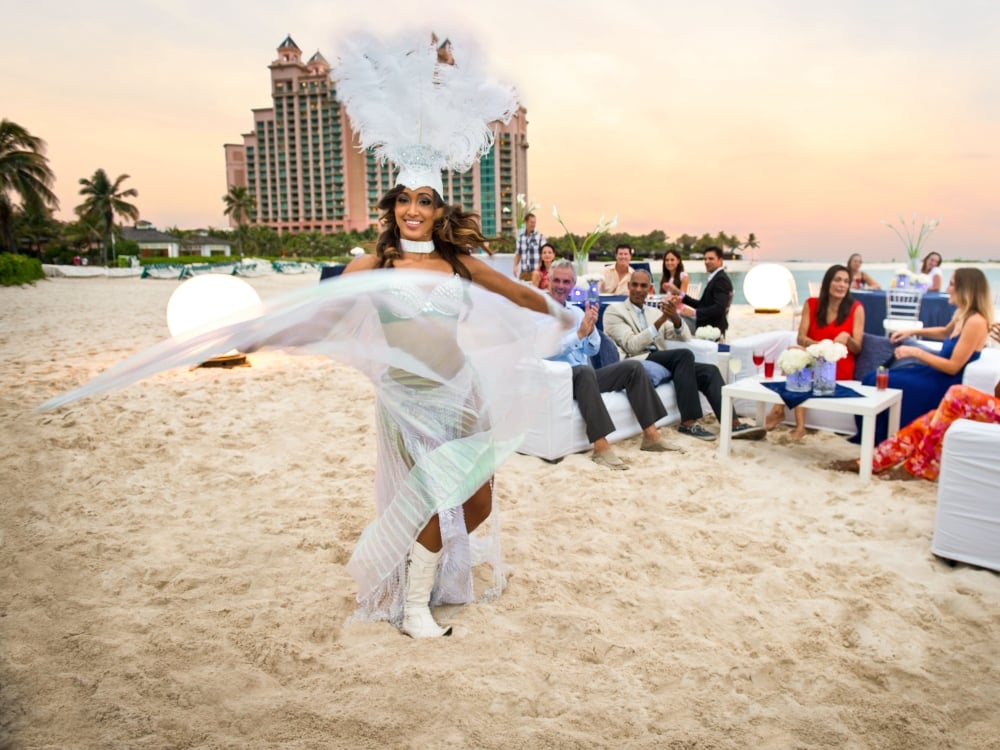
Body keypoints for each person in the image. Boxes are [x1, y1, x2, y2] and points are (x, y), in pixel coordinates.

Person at [547, 259, 683, 470]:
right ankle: (600, 447)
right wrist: (580, 334)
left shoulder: (576, 312)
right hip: (560, 377)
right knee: (584, 371)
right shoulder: (539, 312)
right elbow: (547, 350)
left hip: (585, 378)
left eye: (566, 282)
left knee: (633, 368)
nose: (561, 286)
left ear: (573, 284)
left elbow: (590, 350)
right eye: (556, 280)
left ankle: (651, 437)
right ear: (548, 280)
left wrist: (591, 331)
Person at [603, 269, 765, 441]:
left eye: (643, 286)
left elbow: (684, 336)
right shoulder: (615, 311)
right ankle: (688, 423)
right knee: (683, 355)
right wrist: (660, 321)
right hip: (636, 361)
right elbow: (632, 346)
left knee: (709, 372)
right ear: (628, 286)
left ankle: (733, 424)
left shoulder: (654, 312)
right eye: (634, 285)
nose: (638, 289)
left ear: (650, 289)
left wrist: (674, 318)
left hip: (661, 359)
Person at [852, 267, 991, 445]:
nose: (947, 289)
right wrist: (912, 331)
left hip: (944, 383)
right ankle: (872, 437)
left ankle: (885, 440)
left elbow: (953, 367)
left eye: (951, 284)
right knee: (871, 377)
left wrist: (915, 352)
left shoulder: (976, 322)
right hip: (933, 373)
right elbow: (944, 332)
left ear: (966, 289)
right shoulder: (962, 315)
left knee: (885, 383)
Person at [766, 264, 865, 439]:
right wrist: (818, 347)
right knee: (795, 353)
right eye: (837, 280)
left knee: (801, 362)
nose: (842, 285)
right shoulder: (811, 304)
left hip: (836, 364)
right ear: (827, 282)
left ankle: (788, 418)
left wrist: (848, 339)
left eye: (846, 281)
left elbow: (857, 348)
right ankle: (786, 416)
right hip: (812, 356)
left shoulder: (856, 309)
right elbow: (801, 338)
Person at [662, 246, 733, 338]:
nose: (706, 262)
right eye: (705, 259)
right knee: (669, 316)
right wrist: (678, 293)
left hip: (708, 326)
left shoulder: (721, 280)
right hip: (704, 320)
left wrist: (695, 313)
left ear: (720, 260)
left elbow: (720, 308)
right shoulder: (716, 278)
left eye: (711, 259)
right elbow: (701, 304)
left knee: (667, 320)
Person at [513, 212, 545, 282]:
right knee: (521, 292)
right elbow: (518, 254)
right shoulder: (520, 238)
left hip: (536, 273)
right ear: (526, 222)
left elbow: (544, 255)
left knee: (534, 292)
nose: (533, 224)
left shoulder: (540, 237)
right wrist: (515, 266)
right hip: (524, 273)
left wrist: (539, 270)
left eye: (534, 222)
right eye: (531, 222)